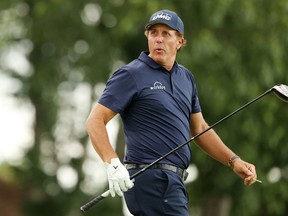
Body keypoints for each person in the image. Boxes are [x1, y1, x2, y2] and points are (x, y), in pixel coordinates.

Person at [86, 9, 258, 216]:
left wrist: (234, 161)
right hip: (150, 179)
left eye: (166, 34)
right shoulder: (131, 74)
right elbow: (95, 119)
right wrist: (112, 163)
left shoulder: (186, 78)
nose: (159, 39)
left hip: (174, 181)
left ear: (180, 41)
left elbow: (200, 128)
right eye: (153, 33)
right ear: (147, 37)